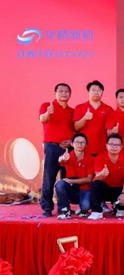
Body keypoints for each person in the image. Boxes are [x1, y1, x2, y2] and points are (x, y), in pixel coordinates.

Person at [39, 83, 74, 217]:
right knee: (49, 178)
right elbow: (42, 119)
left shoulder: (72, 111)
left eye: (66, 91)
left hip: (68, 149)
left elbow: (76, 130)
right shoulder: (47, 106)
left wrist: (71, 141)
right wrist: (49, 112)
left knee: (66, 180)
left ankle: (63, 206)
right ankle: (47, 207)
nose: (64, 93)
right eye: (61, 91)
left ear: (70, 94)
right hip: (52, 147)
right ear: (55, 93)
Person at [87, 134, 124, 220]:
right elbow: (97, 177)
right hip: (105, 189)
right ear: (106, 145)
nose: (114, 147)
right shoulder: (99, 157)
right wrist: (102, 174)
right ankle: (97, 211)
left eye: (117, 145)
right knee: (95, 184)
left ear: (121, 147)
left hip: (119, 189)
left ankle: (118, 208)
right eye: (111, 144)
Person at [55, 133, 93, 219]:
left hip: (85, 189)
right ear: (71, 144)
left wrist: (69, 181)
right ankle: (64, 210)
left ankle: (83, 209)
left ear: (86, 144)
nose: (80, 144)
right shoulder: (68, 156)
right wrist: (63, 158)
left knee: (85, 206)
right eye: (77, 142)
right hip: (71, 189)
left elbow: (89, 179)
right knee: (60, 184)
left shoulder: (91, 159)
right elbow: (60, 160)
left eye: (82, 142)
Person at [74, 80, 113, 156]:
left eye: (99, 90)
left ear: (102, 93)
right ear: (88, 92)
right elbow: (76, 127)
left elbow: (109, 131)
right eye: (93, 90)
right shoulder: (80, 107)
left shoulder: (108, 109)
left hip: (102, 148)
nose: (96, 92)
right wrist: (85, 118)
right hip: (84, 148)